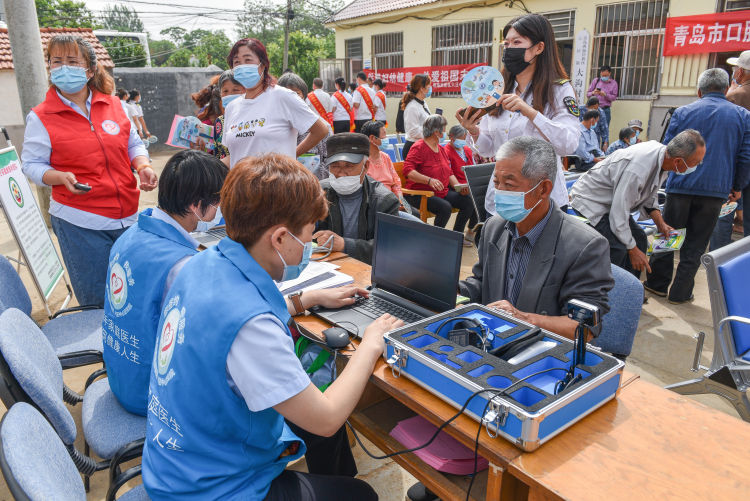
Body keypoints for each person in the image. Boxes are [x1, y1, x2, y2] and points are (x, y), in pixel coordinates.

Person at [142, 153, 402, 500]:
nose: (308, 247)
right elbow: (326, 419)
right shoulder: (252, 327)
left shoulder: (201, 263)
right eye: (308, 236)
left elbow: (226, 316)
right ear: (279, 238)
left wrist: (306, 299)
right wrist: (370, 345)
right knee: (359, 493)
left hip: (178, 457)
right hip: (212, 488)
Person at [21, 35, 157, 307]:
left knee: (133, 294)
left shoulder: (114, 105)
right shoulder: (41, 116)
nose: (64, 68)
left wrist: (142, 165)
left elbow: (133, 143)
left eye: (72, 61)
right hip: (80, 221)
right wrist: (58, 177)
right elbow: (31, 165)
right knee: (98, 301)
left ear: (90, 70)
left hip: (128, 215)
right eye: (56, 62)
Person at [103, 150, 227, 415]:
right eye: (218, 201)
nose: (220, 209)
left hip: (122, 374)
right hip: (153, 394)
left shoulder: (132, 233)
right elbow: (213, 333)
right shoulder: (180, 265)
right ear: (197, 204)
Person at [459, 136, 613, 340]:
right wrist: (450, 289)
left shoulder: (585, 245)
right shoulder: (493, 227)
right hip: (492, 340)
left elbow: (583, 329)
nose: (500, 192)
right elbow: (481, 282)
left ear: (543, 189)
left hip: (543, 350)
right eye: (497, 183)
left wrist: (523, 319)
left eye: (510, 184)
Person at [455, 14, 580, 214]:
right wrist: (474, 131)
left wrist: (531, 113)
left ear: (539, 48)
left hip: (541, 201)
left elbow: (568, 144)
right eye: (506, 44)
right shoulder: (496, 89)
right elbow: (488, 150)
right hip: (502, 199)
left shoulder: (557, 90)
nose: (509, 49)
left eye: (517, 42)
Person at [645, 69, 750, 304]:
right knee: (696, 244)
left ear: (699, 91)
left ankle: (656, 285)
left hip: (680, 186)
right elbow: (745, 156)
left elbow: (667, 150)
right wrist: (737, 186)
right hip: (715, 191)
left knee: (668, 235)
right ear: (726, 90)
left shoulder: (683, 112)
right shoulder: (743, 116)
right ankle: (681, 292)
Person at [570, 132, 704, 278]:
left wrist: (660, 224)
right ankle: (609, 294)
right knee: (618, 249)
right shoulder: (637, 169)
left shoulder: (663, 158)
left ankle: (631, 291)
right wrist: (632, 250)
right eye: (696, 163)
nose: (697, 166)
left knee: (639, 238)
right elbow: (618, 214)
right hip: (591, 202)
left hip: (613, 202)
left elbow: (648, 194)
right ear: (678, 161)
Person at [221, 38, 328, 167]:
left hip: (277, 184)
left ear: (263, 64)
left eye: (248, 60)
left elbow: (321, 130)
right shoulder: (232, 107)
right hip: (241, 185)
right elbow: (233, 156)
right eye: (236, 62)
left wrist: (290, 158)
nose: (242, 66)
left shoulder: (282, 96)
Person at [313, 133, 400, 264]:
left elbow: (390, 247)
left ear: (366, 167)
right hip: (328, 265)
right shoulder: (319, 193)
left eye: (349, 166)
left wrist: (344, 244)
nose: (341, 173)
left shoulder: (384, 201)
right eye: (335, 166)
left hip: (367, 270)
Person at [402, 115, 474, 241]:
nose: (445, 132)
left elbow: (449, 172)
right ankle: (434, 239)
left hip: (441, 192)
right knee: (444, 207)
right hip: (421, 194)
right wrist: (429, 180)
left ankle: (455, 237)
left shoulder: (441, 149)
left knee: (468, 201)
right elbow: (408, 170)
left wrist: (458, 187)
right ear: (436, 132)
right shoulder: (419, 147)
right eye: (444, 129)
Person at [712, 50, 750, 248]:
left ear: (741, 72)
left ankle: (719, 261)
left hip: (733, 166)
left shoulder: (734, 96)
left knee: (724, 214)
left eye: (736, 68)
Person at [277, 72, 331, 179]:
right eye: (286, 94)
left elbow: (329, 158)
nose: (291, 98)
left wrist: (317, 180)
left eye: (296, 94)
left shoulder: (321, 125)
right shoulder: (271, 127)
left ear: (304, 95)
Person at [360, 120, 415, 216]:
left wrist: (401, 200)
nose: (386, 138)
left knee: (413, 213)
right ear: (372, 138)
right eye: (384, 135)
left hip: (393, 200)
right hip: (376, 204)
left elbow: (396, 182)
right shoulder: (362, 161)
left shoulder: (385, 157)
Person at [444, 124, 478, 239]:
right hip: (453, 186)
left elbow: (473, 169)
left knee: (482, 197)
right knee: (469, 201)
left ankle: (472, 229)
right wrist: (458, 187)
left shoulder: (467, 150)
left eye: (465, 139)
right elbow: (448, 174)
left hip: (468, 185)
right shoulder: (446, 151)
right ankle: (457, 234)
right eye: (461, 139)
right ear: (452, 138)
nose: (463, 142)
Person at [213, 70, 245, 159]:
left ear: (245, 90)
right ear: (220, 94)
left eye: (235, 90)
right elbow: (217, 154)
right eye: (225, 91)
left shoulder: (252, 118)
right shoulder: (219, 122)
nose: (230, 94)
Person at [400, 74, 431, 160]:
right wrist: (431, 133)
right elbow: (413, 131)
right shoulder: (412, 107)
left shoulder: (423, 103)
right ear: (422, 88)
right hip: (413, 148)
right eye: (428, 85)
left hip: (423, 145)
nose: (430, 88)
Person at [587, 64, 618, 139]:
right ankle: (594, 148)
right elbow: (588, 94)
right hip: (594, 109)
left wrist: (605, 95)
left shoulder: (614, 83)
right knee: (593, 130)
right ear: (600, 73)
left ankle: (604, 147)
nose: (604, 77)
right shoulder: (596, 81)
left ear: (609, 74)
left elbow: (614, 97)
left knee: (605, 131)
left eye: (606, 75)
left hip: (605, 110)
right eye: (603, 75)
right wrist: (593, 93)